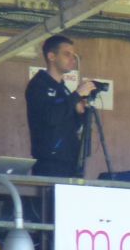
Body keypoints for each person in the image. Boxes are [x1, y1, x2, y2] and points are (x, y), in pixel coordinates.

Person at [26, 34, 98, 178]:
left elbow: (71, 124)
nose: (72, 59)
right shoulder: (38, 84)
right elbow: (50, 118)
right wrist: (76, 95)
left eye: (73, 55)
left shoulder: (63, 89)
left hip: (71, 159)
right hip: (50, 162)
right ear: (51, 56)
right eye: (67, 54)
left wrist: (81, 112)